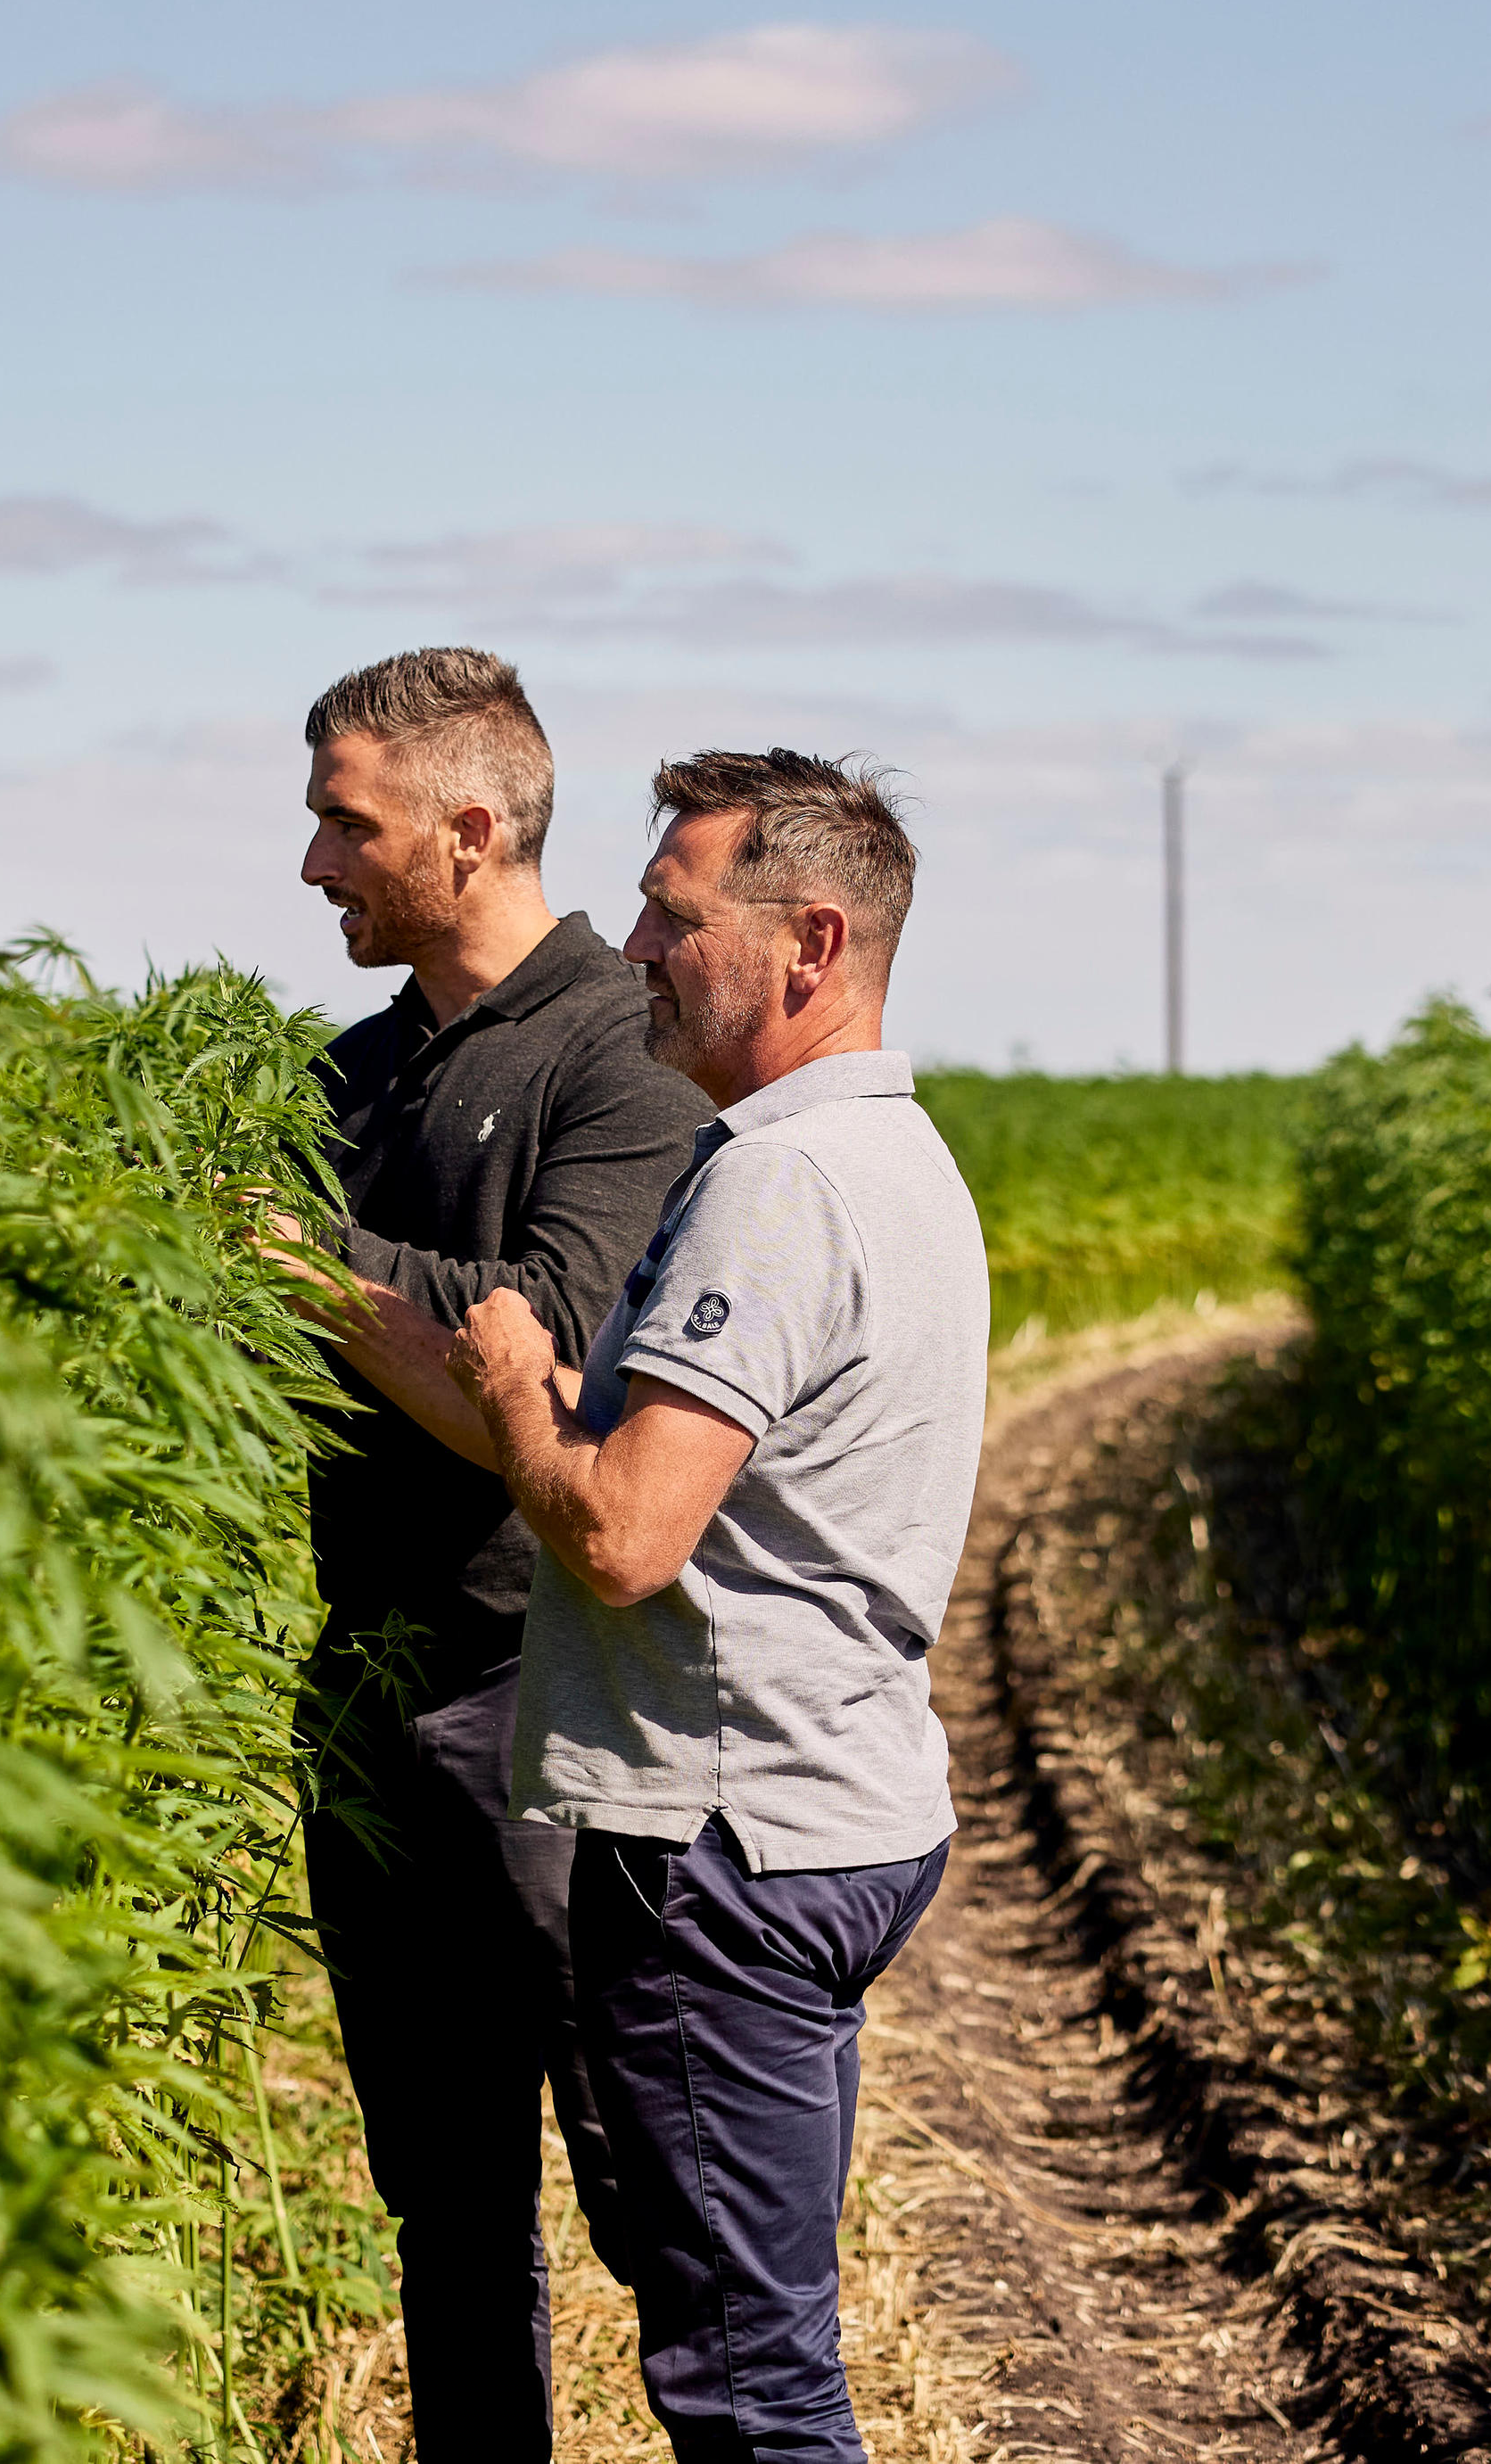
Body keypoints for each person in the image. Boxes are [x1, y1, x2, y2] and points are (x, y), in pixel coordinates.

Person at [368, 746, 988, 2464]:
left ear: (808, 940)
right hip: (842, 1808)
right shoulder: (896, 1157)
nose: (633, 942)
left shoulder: (774, 1185)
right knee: (758, 2338)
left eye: (671, 911)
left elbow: (627, 1533)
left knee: (745, 2380)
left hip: (725, 1845)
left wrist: (512, 1393)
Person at [282, 646, 716, 2463]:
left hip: (544, 1708)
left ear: (470, 827)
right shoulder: (356, 1069)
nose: (314, 865)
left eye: (344, 822)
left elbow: (537, 1346)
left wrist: (306, 1270)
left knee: (661, 2211)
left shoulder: (619, 1052)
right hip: (372, 1693)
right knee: (447, 2210)